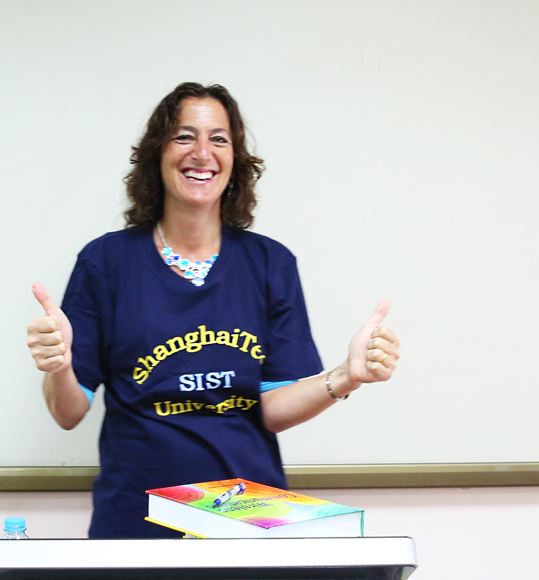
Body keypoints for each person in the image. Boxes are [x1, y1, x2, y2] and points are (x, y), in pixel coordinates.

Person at [26, 83, 400, 538]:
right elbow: (67, 413)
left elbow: (273, 409)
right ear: (157, 154)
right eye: (184, 136)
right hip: (137, 518)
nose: (202, 152)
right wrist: (59, 366)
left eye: (218, 139)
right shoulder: (106, 263)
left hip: (250, 519)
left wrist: (346, 376)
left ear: (235, 160)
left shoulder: (270, 264)